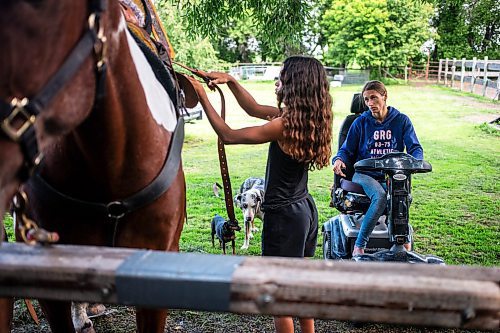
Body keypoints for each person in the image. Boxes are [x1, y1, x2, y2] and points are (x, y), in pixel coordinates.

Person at [186, 56, 333, 333]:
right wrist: (230, 81)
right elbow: (252, 108)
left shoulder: (284, 125)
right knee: (298, 286)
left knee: (277, 297)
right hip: (304, 210)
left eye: (282, 77)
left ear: (295, 85)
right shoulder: (306, 119)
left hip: (283, 219)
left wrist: (201, 95)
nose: (278, 82)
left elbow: (228, 135)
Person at [332, 80, 423, 256]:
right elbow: (346, 150)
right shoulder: (359, 122)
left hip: (391, 174)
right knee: (381, 196)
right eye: (366, 100)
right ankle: (359, 246)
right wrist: (338, 160)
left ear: (385, 96)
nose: (370, 103)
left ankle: (401, 242)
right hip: (363, 173)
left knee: (400, 197)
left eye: (374, 98)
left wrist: (417, 162)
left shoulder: (401, 120)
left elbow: (415, 149)